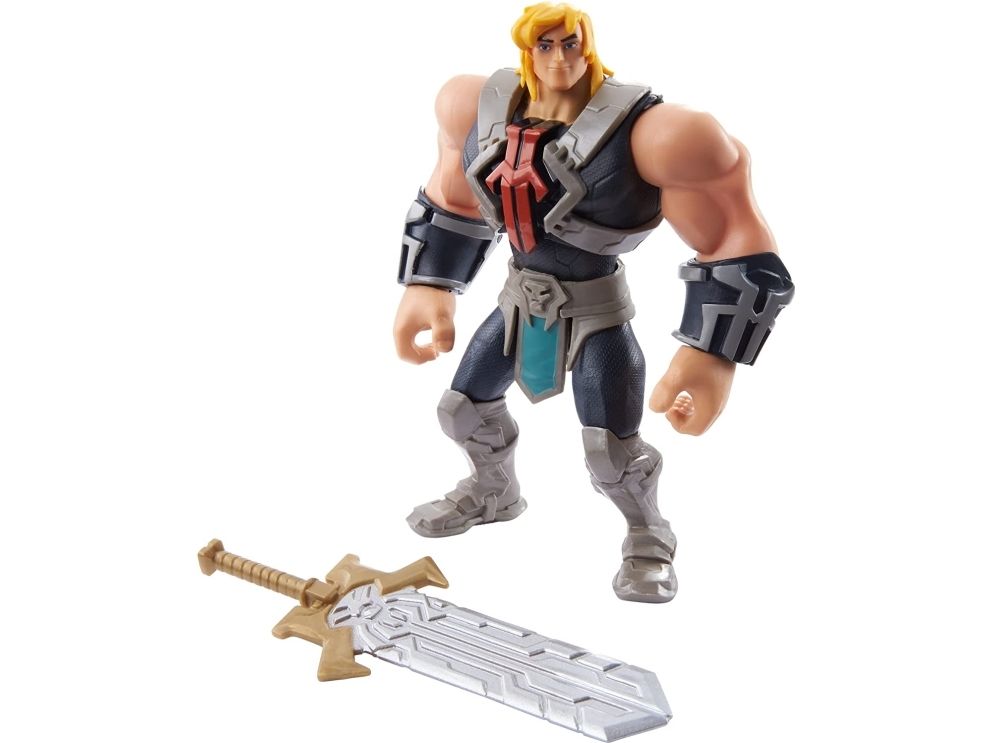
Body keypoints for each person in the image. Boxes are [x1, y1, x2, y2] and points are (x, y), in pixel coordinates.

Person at [393, 2, 793, 603]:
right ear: (526, 50)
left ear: (589, 47)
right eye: (545, 45)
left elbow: (734, 240)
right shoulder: (473, 106)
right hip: (519, 301)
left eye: (570, 44)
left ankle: (648, 533)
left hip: (596, 313)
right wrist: (430, 283)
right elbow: (450, 197)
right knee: (461, 411)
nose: (559, 57)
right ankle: (494, 490)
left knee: (610, 450)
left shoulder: (658, 135)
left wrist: (712, 354)